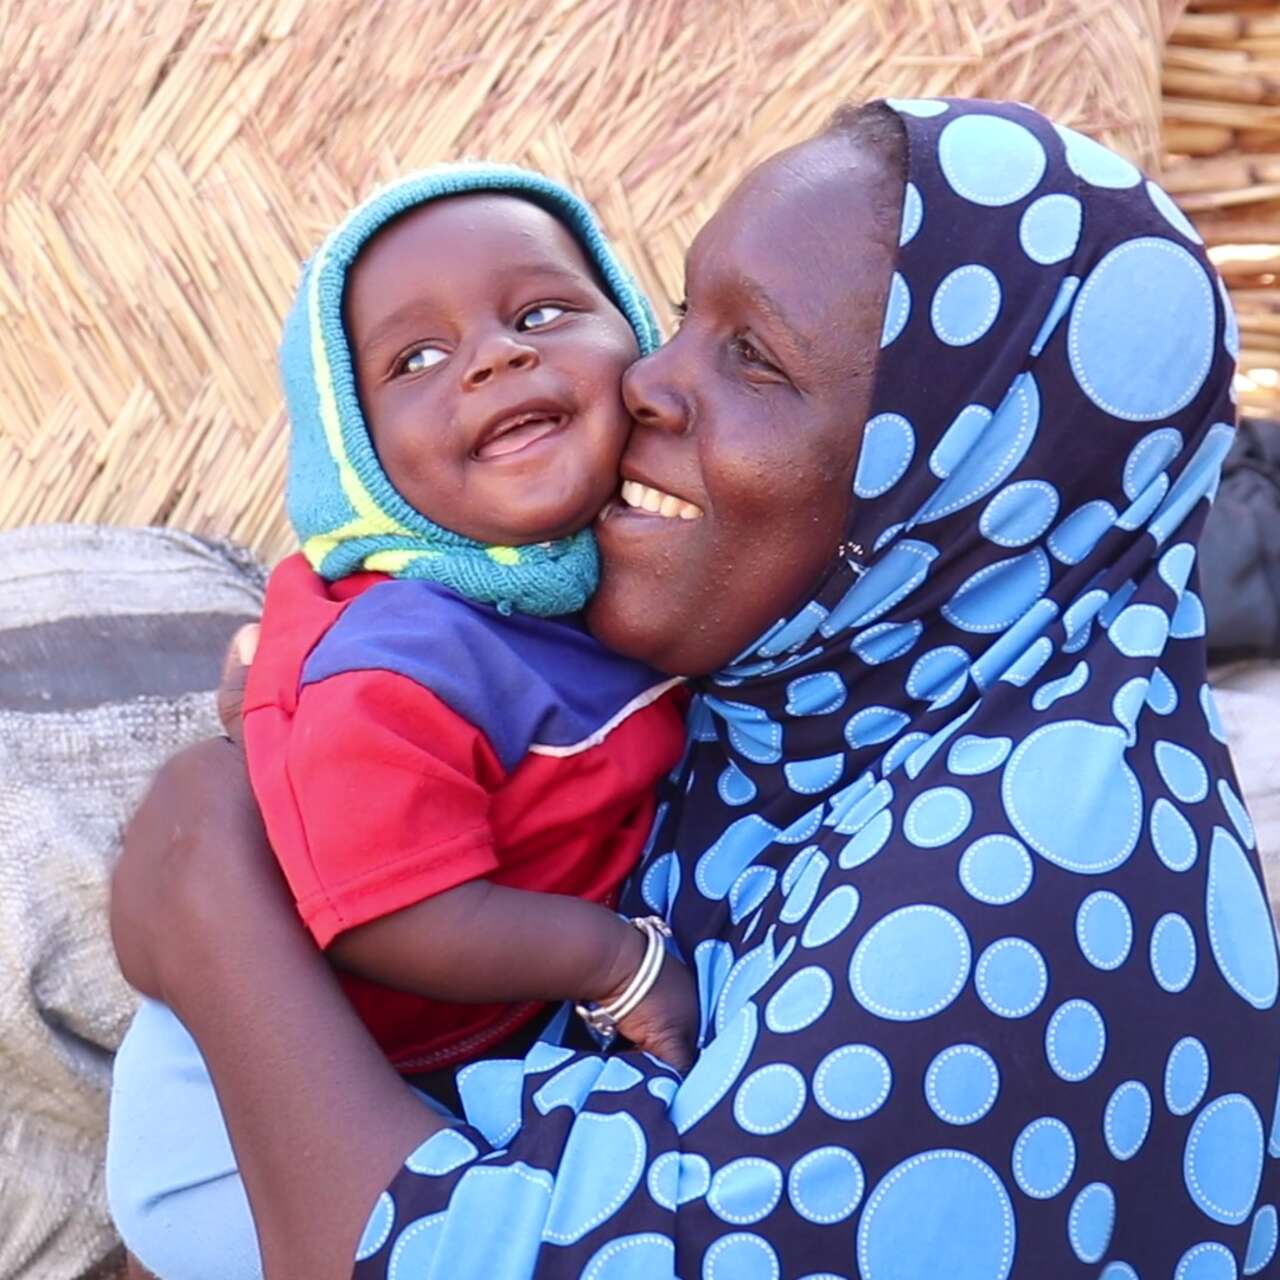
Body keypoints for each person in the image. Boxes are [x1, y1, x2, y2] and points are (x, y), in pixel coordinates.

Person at [112, 97, 1280, 1280]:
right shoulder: (804, 703)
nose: (647, 384)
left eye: (753, 358)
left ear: (951, 476)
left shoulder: (1019, 870)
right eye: (678, 316)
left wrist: (217, 906)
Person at [105, 167, 697, 1280]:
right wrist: (616, 961)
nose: (493, 357)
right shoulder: (400, 660)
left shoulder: (607, 577)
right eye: (414, 361)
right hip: (236, 1119)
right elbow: (388, 912)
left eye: (540, 313)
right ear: (359, 454)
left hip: (432, 1054)